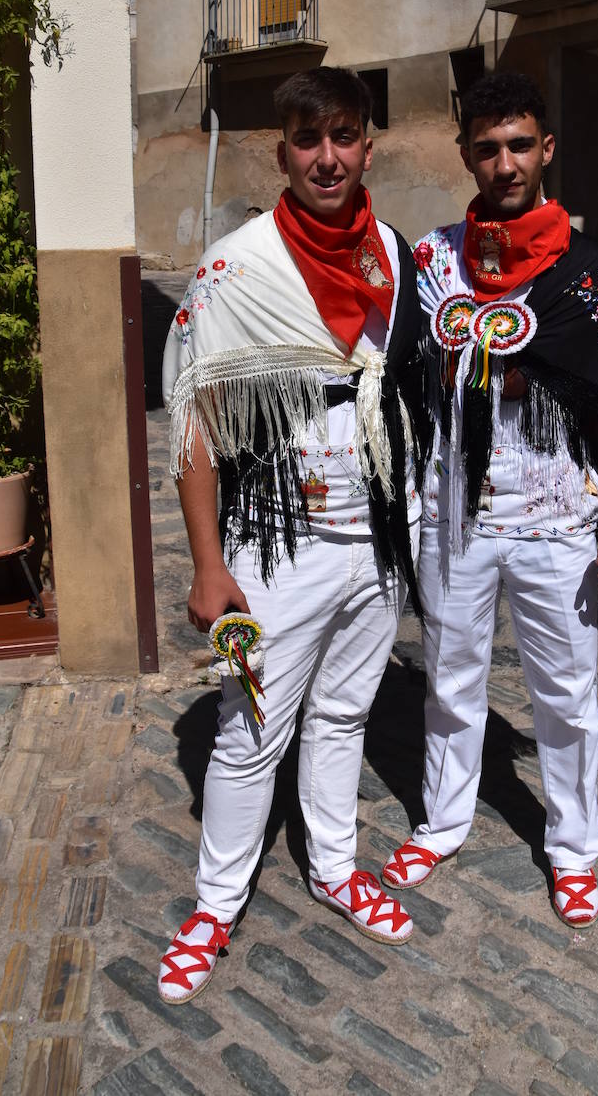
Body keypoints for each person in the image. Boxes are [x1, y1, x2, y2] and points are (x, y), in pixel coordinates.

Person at [157, 68, 428, 1004]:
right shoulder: (237, 267)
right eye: (309, 141)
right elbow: (195, 415)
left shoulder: (393, 256)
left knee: (345, 714)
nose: (327, 157)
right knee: (249, 731)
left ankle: (334, 865)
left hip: (375, 541)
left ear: (366, 146)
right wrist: (206, 562)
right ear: (283, 152)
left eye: (345, 137)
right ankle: (215, 904)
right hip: (282, 540)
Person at [380, 72, 598, 928]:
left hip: (558, 517)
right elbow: (396, 375)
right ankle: (442, 821)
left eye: (519, 146)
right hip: (455, 511)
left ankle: (574, 848)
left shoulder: (587, 272)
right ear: (467, 155)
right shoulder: (433, 263)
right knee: (451, 680)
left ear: (546, 150)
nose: (504, 163)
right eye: (487, 148)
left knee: (565, 692)